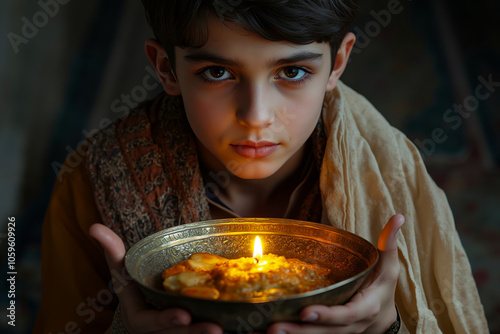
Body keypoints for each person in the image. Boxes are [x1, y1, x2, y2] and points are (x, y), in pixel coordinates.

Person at [34, 1, 488, 333]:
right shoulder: (93, 180)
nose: (256, 116)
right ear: (166, 68)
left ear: (338, 62)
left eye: (291, 73)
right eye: (217, 72)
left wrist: (385, 327)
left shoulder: (388, 174)